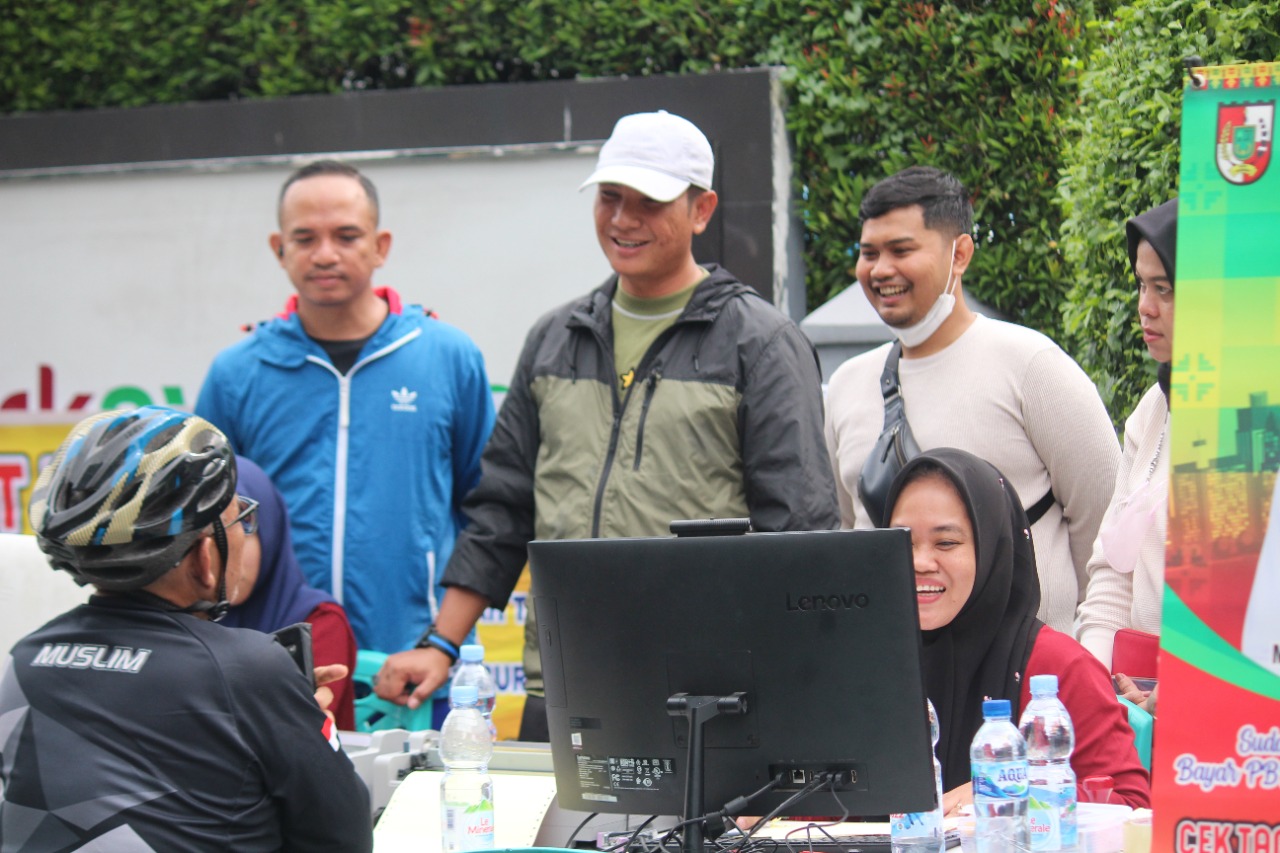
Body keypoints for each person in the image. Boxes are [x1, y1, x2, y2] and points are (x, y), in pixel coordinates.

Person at [374, 110, 840, 739]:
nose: (623, 219)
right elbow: (503, 511)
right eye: (610, 197)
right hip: (563, 688)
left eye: (649, 202)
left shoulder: (760, 343)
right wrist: (440, 644)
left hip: (704, 696)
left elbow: (801, 536)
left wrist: (794, 690)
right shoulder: (554, 338)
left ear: (701, 210)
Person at [1, 406, 372, 851]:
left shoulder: (26, 659)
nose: (244, 533)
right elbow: (344, 838)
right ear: (204, 555)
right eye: (239, 519)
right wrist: (304, 725)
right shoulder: (249, 668)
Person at [195, 161, 495, 694]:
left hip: (413, 667)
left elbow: (489, 513)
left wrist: (441, 643)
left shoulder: (447, 356)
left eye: (347, 236)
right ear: (279, 248)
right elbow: (202, 522)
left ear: (380, 246)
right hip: (272, 667)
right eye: (305, 238)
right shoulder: (238, 372)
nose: (325, 254)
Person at [824, 166, 1120, 633]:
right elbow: (851, 527)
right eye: (869, 254)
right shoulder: (846, 384)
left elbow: (1106, 526)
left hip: (1029, 668)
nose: (880, 270)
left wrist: (1087, 649)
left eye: (901, 250)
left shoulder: (1032, 366)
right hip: (888, 664)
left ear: (959, 254)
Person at [883, 447, 1150, 812]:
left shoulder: (1058, 668)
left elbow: (1130, 805)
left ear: (993, 547)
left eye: (946, 542)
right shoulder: (865, 662)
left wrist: (1014, 792)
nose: (920, 561)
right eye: (902, 541)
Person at [1076, 199, 1176, 683]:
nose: (1145, 307)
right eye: (1141, 284)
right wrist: (1096, 683)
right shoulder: (1153, 409)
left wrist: (1184, 690)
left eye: (1165, 289)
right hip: (1140, 694)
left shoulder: (1258, 419)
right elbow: (1113, 574)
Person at [222, 457, 358, 730]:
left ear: (270, 530)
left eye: (242, 525)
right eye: (211, 532)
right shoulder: (181, 617)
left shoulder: (318, 621)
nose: (228, 551)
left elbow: (298, 732)